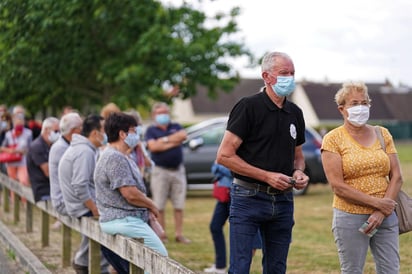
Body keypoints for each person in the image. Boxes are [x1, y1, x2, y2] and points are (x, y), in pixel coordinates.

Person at [216, 51, 309, 274]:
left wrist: (298, 172)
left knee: (277, 268)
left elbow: (298, 156)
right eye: (284, 73)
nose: (290, 78)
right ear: (266, 76)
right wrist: (266, 176)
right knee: (240, 268)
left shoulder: (294, 112)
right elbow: (224, 156)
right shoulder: (248, 107)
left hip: (283, 199)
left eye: (292, 73)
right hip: (249, 197)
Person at [320, 82, 402, 274]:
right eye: (354, 103)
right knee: (352, 270)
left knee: (391, 270)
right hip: (350, 216)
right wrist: (376, 203)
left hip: (385, 215)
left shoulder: (382, 133)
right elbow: (337, 186)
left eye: (364, 102)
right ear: (342, 109)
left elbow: (397, 176)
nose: (361, 107)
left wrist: (382, 210)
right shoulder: (332, 139)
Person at [94, 112, 167, 269]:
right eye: (134, 130)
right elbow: (130, 194)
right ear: (122, 134)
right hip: (122, 219)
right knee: (160, 260)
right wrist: (152, 205)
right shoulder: (115, 157)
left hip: (123, 219)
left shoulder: (123, 155)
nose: (137, 134)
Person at [58, 114, 119, 274]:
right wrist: (94, 209)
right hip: (80, 206)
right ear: (94, 133)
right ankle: (96, 267)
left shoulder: (83, 148)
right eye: (104, 130)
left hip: (78, 204)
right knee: (113, 227)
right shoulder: (84, 152)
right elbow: (79, 185)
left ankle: (84, 263)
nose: (106, 134)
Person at [145, 102, 190, 244]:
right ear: (154, 115)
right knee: (159, 205)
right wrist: (172, 141)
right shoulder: (151, 130)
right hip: (160, 171)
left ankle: (179, 234)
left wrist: (163, 142)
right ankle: (161, 235)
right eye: (160, 113)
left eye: (165, 112)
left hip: (178, 170)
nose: (163, 115)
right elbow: (153, 147)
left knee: (179, 204)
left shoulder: (176, 126)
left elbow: (183, 135)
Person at [204, 163, 262, 274]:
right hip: (224, 192)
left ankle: (237, 268)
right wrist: (221, 167)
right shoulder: (226, 146)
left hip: (240, 193)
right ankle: (220, 266)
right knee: (215, 226)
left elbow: (235, 171)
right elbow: (214, 167)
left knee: (243, 232)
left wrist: (220, 167)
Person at [49, 112, 83, 215]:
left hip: (69, 198)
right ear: (73, 131)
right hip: (62, 201)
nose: (83, 129)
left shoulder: (66, 145)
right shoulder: (61, 148)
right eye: (81, 127)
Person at [26, 117, 60, 202]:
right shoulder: (37, 146)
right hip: (43, 190)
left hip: (52, 187)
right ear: (46, 130)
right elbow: (48, 172)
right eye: (56, 131)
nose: (59, 134)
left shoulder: (50, 145)